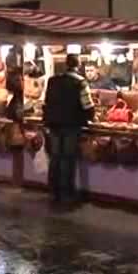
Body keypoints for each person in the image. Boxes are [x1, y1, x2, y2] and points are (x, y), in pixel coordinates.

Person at [43, 54, 95, 207]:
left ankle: (53, 191)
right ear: (78, 65)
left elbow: (46, 102)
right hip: (71, 125)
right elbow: (87, 105)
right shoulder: (80, 82)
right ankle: (67, 194)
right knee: (67, 158)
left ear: (66, 64)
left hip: (53, 124)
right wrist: (91, 116)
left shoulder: (52, 81)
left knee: (55, 157)